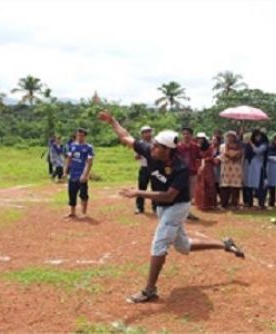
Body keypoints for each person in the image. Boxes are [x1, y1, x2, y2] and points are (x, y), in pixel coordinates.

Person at [98, 110, 245, 304]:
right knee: (183, 246)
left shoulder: (180, 168)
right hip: (162, 206)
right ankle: (224, 244)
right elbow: (126, 137)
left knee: (159, 244)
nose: (152, 148)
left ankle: (149, 290)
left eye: (157, 146)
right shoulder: (151, 152)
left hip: (177, 206)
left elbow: (169, 196)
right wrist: (113, 121)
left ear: (167, 150)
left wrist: (139, 193)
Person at [63, 128, 94, 219]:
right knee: (72, 193)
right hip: (73, 175)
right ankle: (72, 212)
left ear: (85, 136)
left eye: (81, 136)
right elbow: (68, 160)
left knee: (83, 194)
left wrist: (85, 174)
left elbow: (89, 162)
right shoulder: (72, 146)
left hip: (82, 175)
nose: (79, 137)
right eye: (78, 135)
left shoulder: (88, 147)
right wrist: (65, 171)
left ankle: (84, 213)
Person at [177, 127, 202, 220]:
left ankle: (187, 212)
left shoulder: (195, 147)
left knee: (190, 193)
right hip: (181, 173)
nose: (186, 135)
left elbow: (200, 157)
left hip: (192, 172)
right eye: (184, 134)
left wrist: (200, 166)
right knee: (180, 192)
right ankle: (180, 212)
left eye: (188, 134)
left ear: (191, 135)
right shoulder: (178, 146)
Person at [217, 131, 243, 209]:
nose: (230, 138)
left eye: (232, 136)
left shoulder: (239, 146)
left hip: (236, 168)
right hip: (226, 168)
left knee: (235, 187)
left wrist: (233, 155)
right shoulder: (222, 146)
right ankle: (224, 204)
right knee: (225, 186)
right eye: (228, 136)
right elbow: (223, 155)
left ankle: (235, 204)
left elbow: (240, 155)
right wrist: (230, 155)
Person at [243, 129, 268, 209]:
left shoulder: (264, 144)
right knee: (249, 185)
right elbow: (246, 155)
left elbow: (257, 151)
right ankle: (250, 203)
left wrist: (251, 143)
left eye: (259, 136)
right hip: (249, 167)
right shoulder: (248, 145)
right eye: (256, 136)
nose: (257, 137)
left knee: (260, 186)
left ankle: (261, 204)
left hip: (259, 167)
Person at [135, 125, 156, 214]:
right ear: (142, 134)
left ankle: (156, 207)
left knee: (156, 188)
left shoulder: (156, 143)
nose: (148, 134)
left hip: (155, 168)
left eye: (149, 132)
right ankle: (139, 207)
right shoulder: (139, 144)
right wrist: (139, 155)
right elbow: (136, 157)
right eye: (146, 132)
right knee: (142, 188)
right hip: (144, 168)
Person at [194, 132, 217, 211]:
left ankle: (210, 204)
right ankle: (200, 204)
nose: (200, 140)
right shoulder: (196, 147)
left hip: (207, 168)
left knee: (209, 184)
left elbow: (211, 156)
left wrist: (204, 160)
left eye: (201, 139)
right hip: (199, 167)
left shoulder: (209, 147)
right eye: (198, 138)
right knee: (199, 185)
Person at [211, 134, 222, 203]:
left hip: (219, 168)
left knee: (219, 184)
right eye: (212, 139)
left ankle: (222, 200)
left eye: (214, 140)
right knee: (213, 184)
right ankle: (213, 200)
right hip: (211, 168)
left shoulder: (221, 148)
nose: (213, 141)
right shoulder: (210, 148)